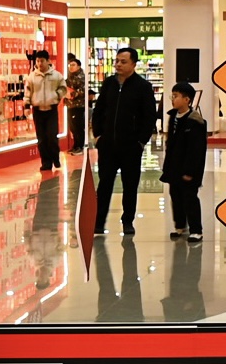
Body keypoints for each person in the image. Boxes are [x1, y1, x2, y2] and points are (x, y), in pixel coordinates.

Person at [90, 46, 160, 236]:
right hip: (107, 145)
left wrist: (141, 142)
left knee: (130, 185)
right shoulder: (109, 84)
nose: (118, 65)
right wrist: (98, 135)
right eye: (117, 61)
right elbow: (99, 111)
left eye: (123, 62)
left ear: (133, 64)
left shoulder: (143, 87)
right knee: (104, 184)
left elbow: (149, 117)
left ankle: (128, 220)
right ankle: (98, 221)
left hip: (131, 146)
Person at [160, 83, 209, 241]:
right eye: (172, 96)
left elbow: (196, 150)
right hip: (174, 166)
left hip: (189, 168)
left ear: (187, 99)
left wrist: (190, 171)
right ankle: (180, 226)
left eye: (176, 96)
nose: (173, 99)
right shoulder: (173, 117)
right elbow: (170, 144)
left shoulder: (195, 121)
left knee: (189, 197)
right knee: (175, 196)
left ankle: (196, 230)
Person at [25, 51, 65, 173]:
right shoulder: (32, 77)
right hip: (38, 110)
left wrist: (56, 96)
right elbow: (28, 91)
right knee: (41, 139)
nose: (40, 63)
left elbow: (63, 88)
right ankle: (46, 162)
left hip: (51, 110)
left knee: (52, 136)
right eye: (38, 61)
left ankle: (55, 157)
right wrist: (27, 106)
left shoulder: (56, 75)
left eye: (42, 61)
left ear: (48, 61)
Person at [65, 53, 87, 152]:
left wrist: (73, 94)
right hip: (70, 105)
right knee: (72, 127)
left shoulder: (81, 77)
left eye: (73, 65)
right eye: (70, 65)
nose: (71, 67)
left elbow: (83, 90)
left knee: (78, 126)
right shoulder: (69, 77)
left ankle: (80, 146)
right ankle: (75, 145)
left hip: (78, 105)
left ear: (78, 66)